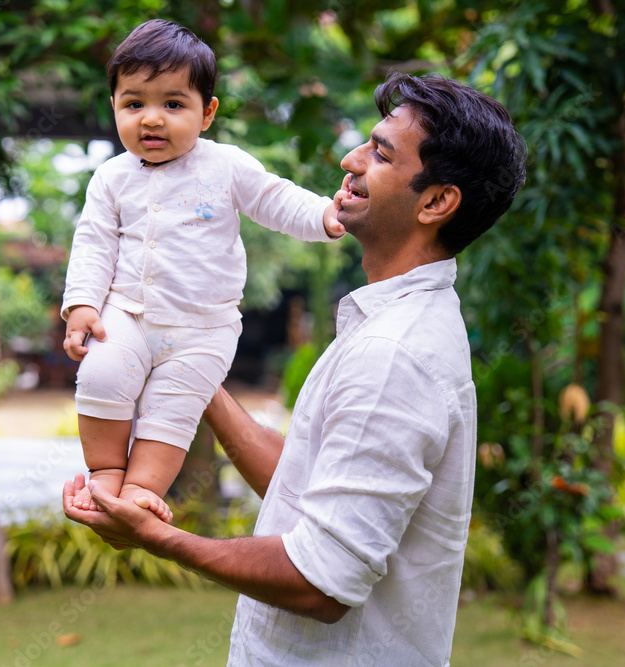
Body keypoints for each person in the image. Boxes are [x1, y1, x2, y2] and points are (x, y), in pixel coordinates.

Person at [64, 71, 527, 665]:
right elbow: (308, 486)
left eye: (380, 152)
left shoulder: (394, 354)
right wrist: (182, 360)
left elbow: (321, 583)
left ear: (436, 202)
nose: (350, 159)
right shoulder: (387, 321)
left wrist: (158, 537)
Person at [61, 19, 345, 521]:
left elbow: (276, 200)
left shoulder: (225, 165)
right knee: (101, 375)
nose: (152, 119)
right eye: (134, 104)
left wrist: (324, 215)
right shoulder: (110, 178)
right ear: (114, 107)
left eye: (173, 104)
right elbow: (93, 244)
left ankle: (140, 490)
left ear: (207, 113)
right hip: (126, 314)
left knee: (174, 407)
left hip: (203, 331)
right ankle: (105, 474)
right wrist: (83, 303)